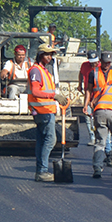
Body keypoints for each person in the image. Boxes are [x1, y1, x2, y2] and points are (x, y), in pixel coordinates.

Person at [27, 42, 69, 182]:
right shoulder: (36, 71)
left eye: (51, 54)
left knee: (41, 141)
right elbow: (36, 91)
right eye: (47, 54)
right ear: (40, 55)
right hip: (42, 111)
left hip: (45, 110)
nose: (50, 57)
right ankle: (43, 171)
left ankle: (40, 171)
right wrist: (54, 96)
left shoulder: (44, 70)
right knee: (50, 140)